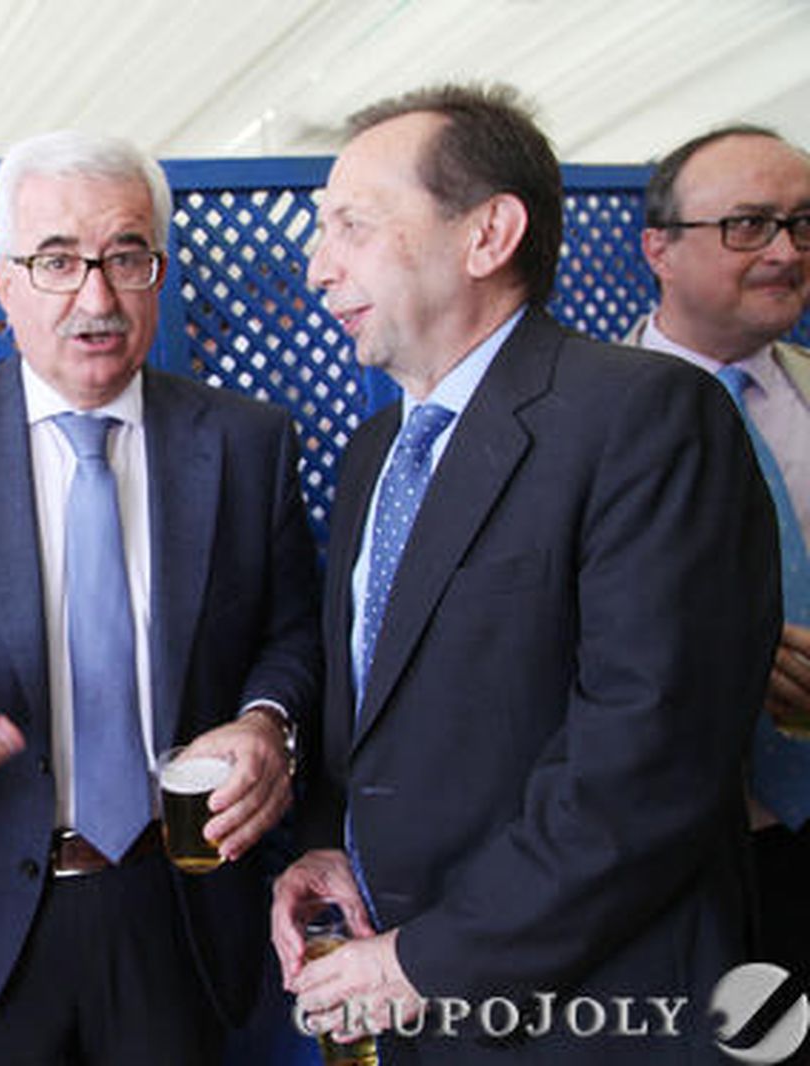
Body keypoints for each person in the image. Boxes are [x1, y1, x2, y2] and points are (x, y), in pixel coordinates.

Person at [270, 84, 781, 1064]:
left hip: (594, 1011)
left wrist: (422, 962)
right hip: (416, 997)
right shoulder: (380, 448)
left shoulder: (644, 418)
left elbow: (642, 764)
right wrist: (337, 845)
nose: (318, 269)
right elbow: (386, 707)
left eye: (351, 227)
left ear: (488, 233)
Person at [0, 130, 323, 1066]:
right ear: (4, 280)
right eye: (56, 262)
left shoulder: (249, 443)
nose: (96, 298)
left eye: (126, 257)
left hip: (178, 903)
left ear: (159, 273)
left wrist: (265, 721)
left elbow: (295, 631)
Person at [629, 125, 810, 978]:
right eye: (748, 224)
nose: (785, 250)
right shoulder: (587, 428)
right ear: (658, 248)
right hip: (676, 860)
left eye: (804, 223)